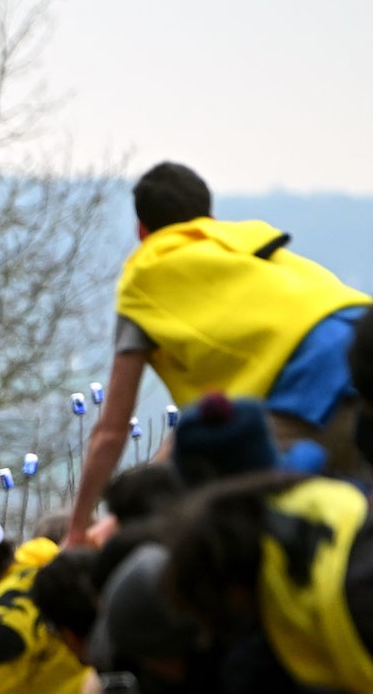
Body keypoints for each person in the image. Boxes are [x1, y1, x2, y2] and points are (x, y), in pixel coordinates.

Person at [67, 161, 371, 544]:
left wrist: (77, 530)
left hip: (309, 384)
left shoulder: (145, 280)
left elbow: (111, 432)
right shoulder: (244, 249)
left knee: (242, 525)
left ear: (142, 231)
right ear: (209, 217)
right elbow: (188, 433)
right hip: (364, 343)